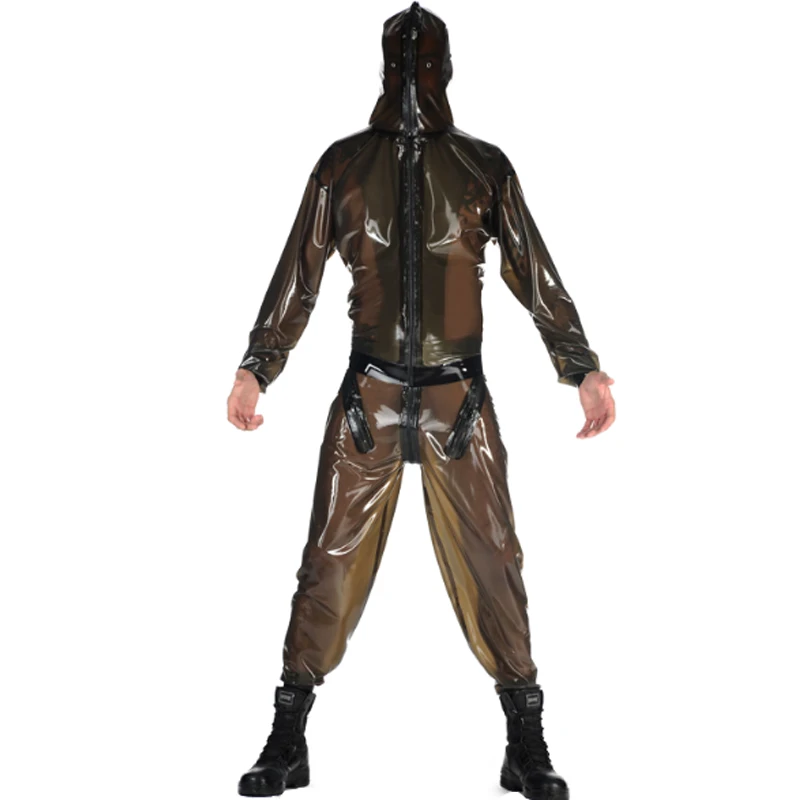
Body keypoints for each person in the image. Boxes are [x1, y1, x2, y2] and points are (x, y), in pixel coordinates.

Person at [226, 3, 616, 798]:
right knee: (327, 565)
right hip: (367, 398)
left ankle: (525, 741)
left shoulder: (482, 166)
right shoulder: (343, 165)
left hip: (457, 399)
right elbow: (300, 272)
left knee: (493, 562)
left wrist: (581, 366)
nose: (413, 78)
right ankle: (288, 737)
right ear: (385, 68)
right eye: (404, 64)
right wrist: (257, 366)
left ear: (445, 69)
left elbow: (533, 270)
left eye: (424, 63)